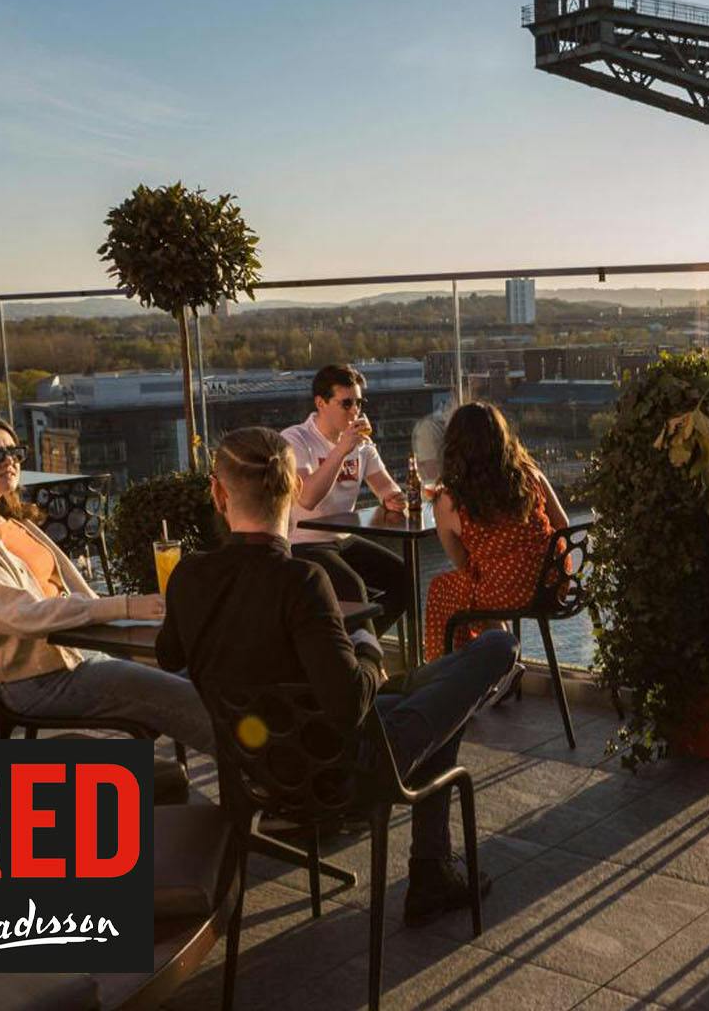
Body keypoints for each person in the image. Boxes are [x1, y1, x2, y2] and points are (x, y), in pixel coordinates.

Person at [157, 426, 518, 924]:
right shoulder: (303, 581)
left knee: (434, 699)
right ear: (292, 490)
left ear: (219, 494)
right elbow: (350, 705)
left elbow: (169, 655)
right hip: (339, 776)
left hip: (254, 772)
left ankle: (433, 870)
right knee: (496, 648)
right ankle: (430, 869)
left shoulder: (189, 576)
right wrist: (367, 646)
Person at [0, 414, 213, 754]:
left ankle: (249, 765)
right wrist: (126, 606)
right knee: (181, 696)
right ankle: (255, 773)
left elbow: (65, 591)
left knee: (204, 672)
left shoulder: (11, 522)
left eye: (14, 452)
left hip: (79, 650)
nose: (9, 461)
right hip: (37, 679)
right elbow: (23, 614)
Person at [423, 402, 568, 661]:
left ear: (455, 446)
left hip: (507, 593)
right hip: (554, 584)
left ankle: (469, 669)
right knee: (482, 585)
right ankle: (499, 654)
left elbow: (463, 564)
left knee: (444, 590)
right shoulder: (530, 476)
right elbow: (563, 526)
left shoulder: (449, 500)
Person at [283, 364, 411, 637]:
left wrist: (394, 498)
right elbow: (307, 498)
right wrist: (341, 450)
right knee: (352, 587)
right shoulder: (296, 439)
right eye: (347, 403)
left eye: (359, 403)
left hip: (343, 538)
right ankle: (362, 652)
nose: (355, 410)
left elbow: (385, 487)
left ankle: (359, 646)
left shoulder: (360, 444)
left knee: (405, 578)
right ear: (321, 403)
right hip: (303, 542)